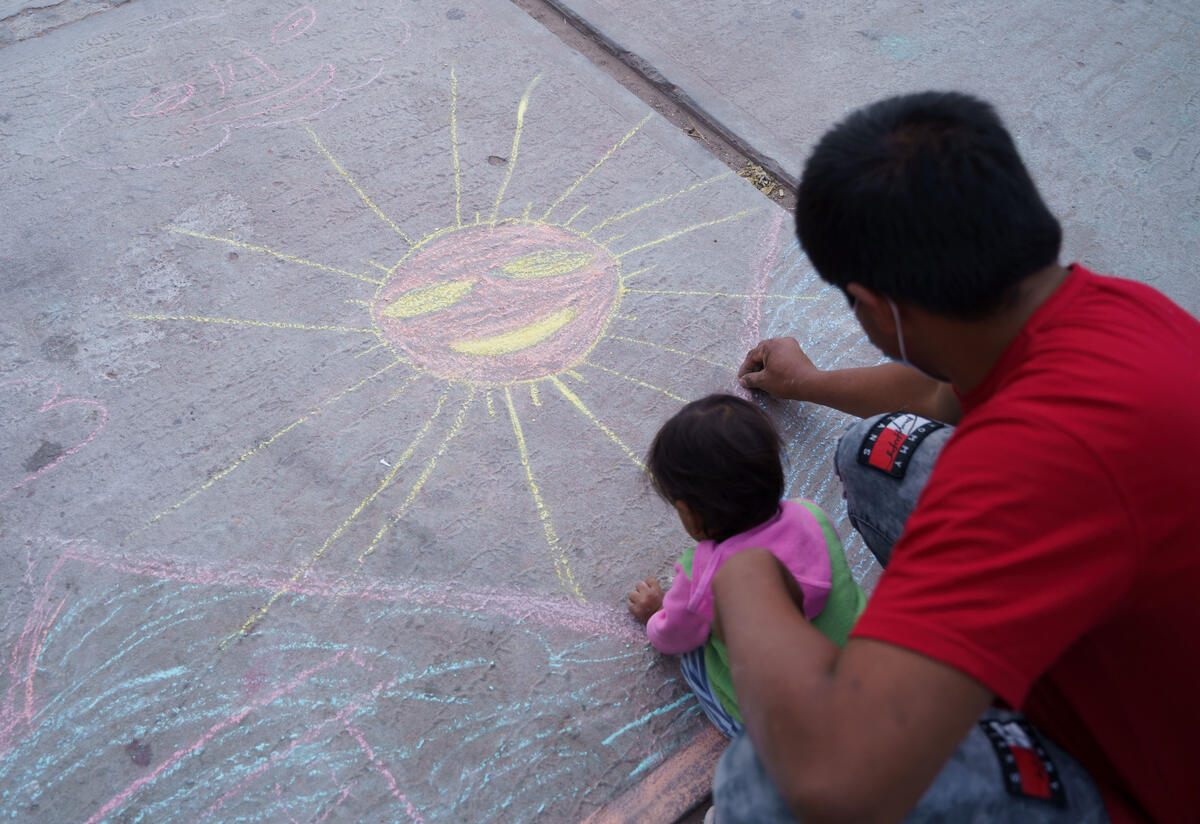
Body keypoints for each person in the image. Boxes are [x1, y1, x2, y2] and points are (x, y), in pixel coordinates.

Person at [711, 91, 1200, 823]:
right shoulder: (1106, 311)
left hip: (1152, 783)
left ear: (877, 309)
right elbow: (944, 392)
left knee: (775, 784)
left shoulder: (1029, 467)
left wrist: (741, 565)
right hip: (1139, 665)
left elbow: (832, 777)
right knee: (877, 453)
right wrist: (808, 383)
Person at [626, 394, 865, 738]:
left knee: (694, 653)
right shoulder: (809, 513)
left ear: (690, 515)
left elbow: (673, 637)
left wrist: (655, 615)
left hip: (791, 727)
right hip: (868, 674)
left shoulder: (703, 571)